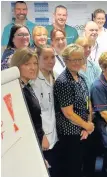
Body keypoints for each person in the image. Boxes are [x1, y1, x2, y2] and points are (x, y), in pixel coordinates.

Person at [53, 44, 94, 177]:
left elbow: (88, 103)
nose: (77, 62)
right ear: (65, 60)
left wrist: (88, 125)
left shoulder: (80, 78)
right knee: (72, 169)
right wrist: (86, 125)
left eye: (79, 59)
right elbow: (68, 113)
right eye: (73, 59)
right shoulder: (63, 82)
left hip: (83, 131)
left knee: (82, 166)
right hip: (70, 134)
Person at [75, 36, 102, 177]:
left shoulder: (94, 66)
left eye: (89, 47)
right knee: (80, 152)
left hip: (94, 113)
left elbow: (100, 85)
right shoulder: (73, 68)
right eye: (83, 47)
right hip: (79, 116)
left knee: (92, 151)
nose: (87, 50)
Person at [31, 45, 59, 177]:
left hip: (55, 132)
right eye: (46, 58)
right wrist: (43, 136)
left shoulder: (56, 76)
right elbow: (37, 113)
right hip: (44, 135)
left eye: (53, 57)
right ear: (38, 59)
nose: (50, 61)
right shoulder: (34, 81)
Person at [9, 47, 44, 145]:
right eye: (27, 64)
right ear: (17, 66)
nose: (33, 67)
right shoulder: (17, 91)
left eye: (35, 63)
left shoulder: (27, 86)